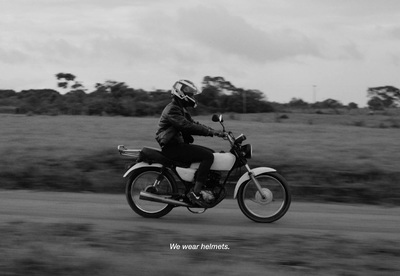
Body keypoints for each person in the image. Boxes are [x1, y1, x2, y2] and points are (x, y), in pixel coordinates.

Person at [155, 79, 224, 207]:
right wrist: (210, 132)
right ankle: (196, 192)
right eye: (191, 95)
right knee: (208, 157)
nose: (192, 97)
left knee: (210, 153)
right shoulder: (173, 109)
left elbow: (193, 124)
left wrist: (214, 131)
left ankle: (196, 185)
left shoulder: (180, 109)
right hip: (172, 147)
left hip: (177, 145)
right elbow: (187, 126)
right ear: (181, 94)